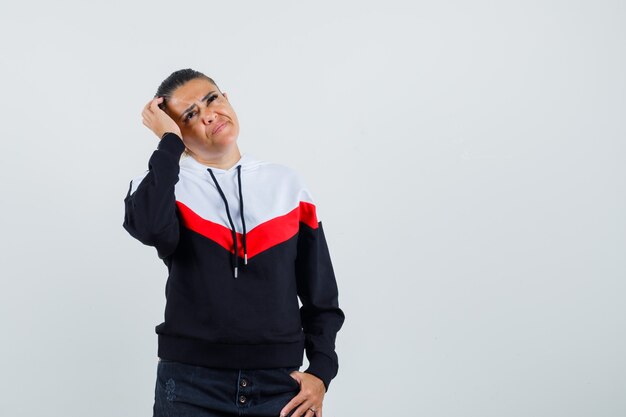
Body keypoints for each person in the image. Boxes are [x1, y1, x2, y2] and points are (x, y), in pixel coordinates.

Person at [122, 68, 345, 417]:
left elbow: (321, 297)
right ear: (176, 131)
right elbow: (150, 228)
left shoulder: (286, 185)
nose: (209, 114)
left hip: (282, 388)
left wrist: (321, 371)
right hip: (189, 387)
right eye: (190, 115)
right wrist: (167, 145)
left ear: (227, 98)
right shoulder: (161, 185)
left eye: (212, 99)